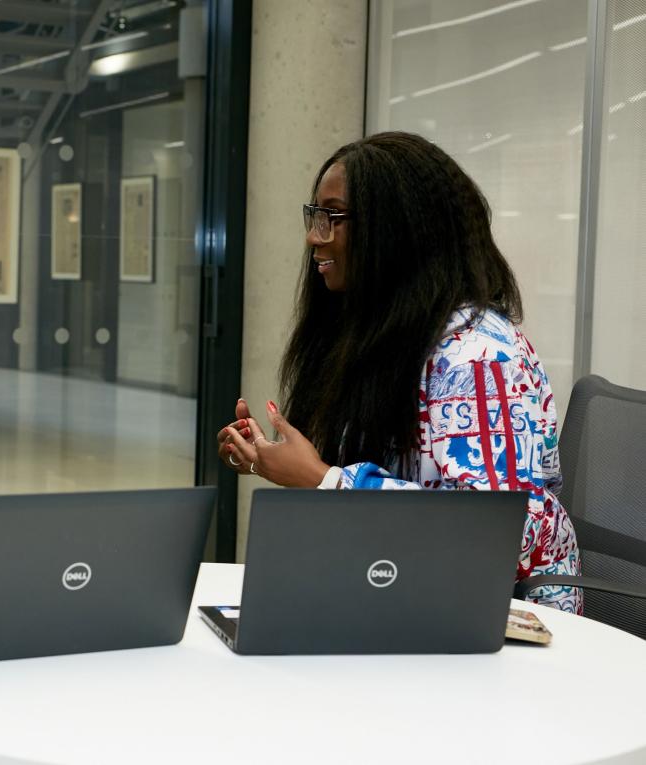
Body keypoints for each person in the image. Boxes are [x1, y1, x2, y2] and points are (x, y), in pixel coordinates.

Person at [218, 131, 580, 613]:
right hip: (400, 594)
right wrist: (275, 457)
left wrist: (324, 480)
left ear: (400, 229)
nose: (314, 236)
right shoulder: (386, 334)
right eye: (315, 214)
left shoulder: (476, 355)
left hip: (495, 628)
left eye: (334, 217)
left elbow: (495, 530)